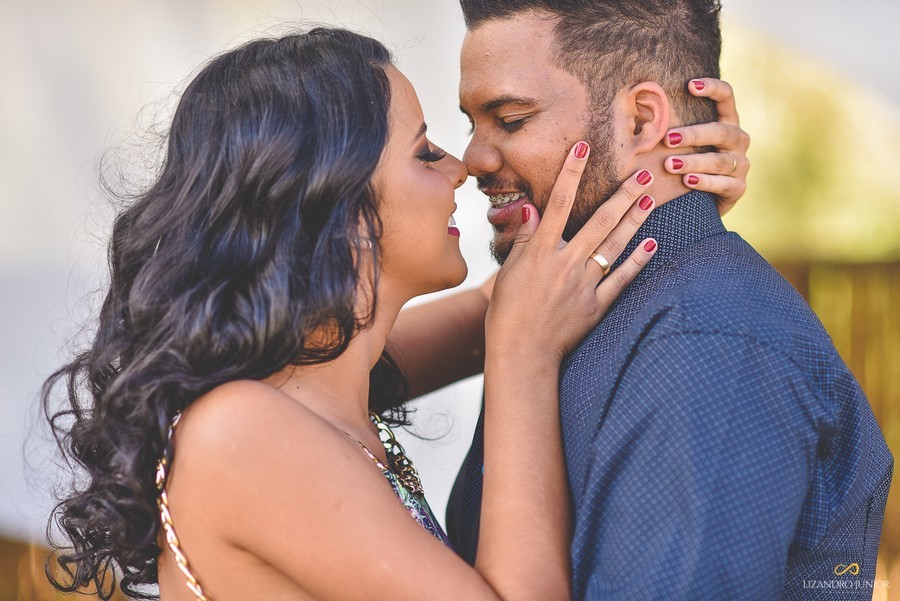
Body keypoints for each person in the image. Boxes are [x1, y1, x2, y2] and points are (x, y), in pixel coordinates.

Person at [43, 28, 748, 601]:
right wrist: (520, 362)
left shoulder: (321, 379)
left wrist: (660, 178)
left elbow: (526, 296)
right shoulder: (243, 431)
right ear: (341, 208)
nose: (461, 166)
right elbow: (516, 326)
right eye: (423, 151)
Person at [446, 1, 893, 599]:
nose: (472, 158)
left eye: (511, 118)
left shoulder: (708, 345)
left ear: (641, 120)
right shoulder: (551, 312)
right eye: (472, 123)